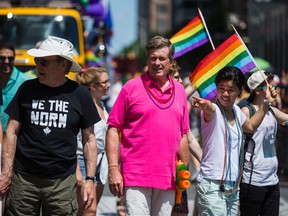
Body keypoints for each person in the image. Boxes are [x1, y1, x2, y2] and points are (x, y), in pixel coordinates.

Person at [0, 36, 100, 215]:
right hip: (23, 180)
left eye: (44, 61)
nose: (38, 65)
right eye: (37, 60)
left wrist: (90, 179)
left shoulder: (80, 94)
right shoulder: (26, 89)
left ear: (63, 65)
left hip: (62, 183)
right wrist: (6, 173)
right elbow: (12, 131)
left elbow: (89, 139)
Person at [106, 36, 190, 215]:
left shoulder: (181, 91)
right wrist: (113, 169)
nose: (157, 63)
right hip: (136, 174)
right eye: (153, 58)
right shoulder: (131, 87)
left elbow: (183, 135)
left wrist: (184, 172)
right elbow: (113, 128)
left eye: (162, 58)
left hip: (168, 177)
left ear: (171, 62)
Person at [192, 66, 277, 215]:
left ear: (239, 91)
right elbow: (210, 109)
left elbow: (250, 126)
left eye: (230, 90)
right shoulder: (214, 110)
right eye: (221, 88)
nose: (225, 93)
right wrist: (206, 106)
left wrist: (266, 103)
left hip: (233, 186)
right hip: (212, 184)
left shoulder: (237, 111)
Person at [240, 70, 288, 216]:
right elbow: (249, 127)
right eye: (268, 84)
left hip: (272, 180)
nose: (273, 86)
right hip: (252, 181)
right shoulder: (246, 111)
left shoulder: (272, 111)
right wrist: (267, 103)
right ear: (257, 90)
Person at [75, 66, 110, 215]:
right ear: (93, 86)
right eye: (105, 82)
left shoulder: (102, 105)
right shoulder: (82, 105)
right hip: (84, 159)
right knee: (89, 209)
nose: (109, 85)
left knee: (87, 210)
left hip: (101, 161)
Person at [0, 43, 30, 133]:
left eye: (10, 58)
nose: (6, 61)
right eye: (2, 58)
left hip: (15, 137)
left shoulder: (26, 82)